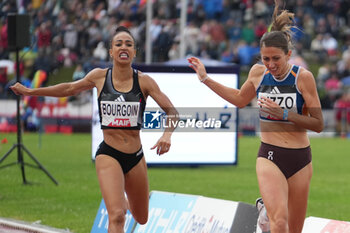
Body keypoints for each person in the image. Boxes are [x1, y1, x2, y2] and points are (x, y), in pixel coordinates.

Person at [11, 26, 178, 233]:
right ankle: (117, 200)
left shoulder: (144, 81)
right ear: (111, 52)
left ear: (134, 52)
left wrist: (167, 135)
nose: (123, 47)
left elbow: (172, 111)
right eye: (118, 44)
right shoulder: (99, 77)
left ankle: (120, 197)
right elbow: (69, 88)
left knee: (142, 217)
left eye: (128, 44)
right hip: (109, 153)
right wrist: (31, 91)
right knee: (117, 216)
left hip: (135, 156)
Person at [188, 1, 324, 232]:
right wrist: (205, 79)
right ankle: (269, 208)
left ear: (288, 55)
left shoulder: (303, 78)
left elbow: (319, 124)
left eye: (276, 59)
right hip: (270, 155)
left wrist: (284, 114)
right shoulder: (257, 73)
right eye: (265, 59)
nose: (270, 64)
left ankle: (264, 206)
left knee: (294, 229)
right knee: (279, 221)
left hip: (301, 158)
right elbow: (240, 99)